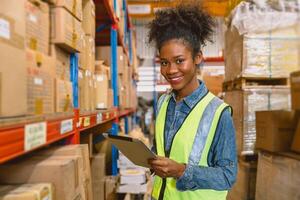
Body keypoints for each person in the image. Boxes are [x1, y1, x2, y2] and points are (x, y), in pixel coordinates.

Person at [147, 3, 237, 200]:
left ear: (197, 57)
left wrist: (181, 171)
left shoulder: (218, 113)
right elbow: (165, 148)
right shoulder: (163, 103)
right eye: (164, 62)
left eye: (179, 60)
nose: (170, 70)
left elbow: (227, 175)